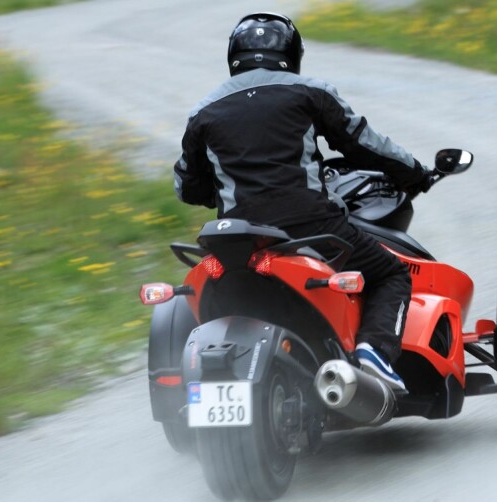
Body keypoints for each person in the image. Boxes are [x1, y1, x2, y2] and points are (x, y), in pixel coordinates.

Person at [173, 12, 432, 392]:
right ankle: (373, 351)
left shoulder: (204, 112)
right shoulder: (310, 92)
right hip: (310, 226)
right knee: (391, 274)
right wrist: (415, 172)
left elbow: (187, 187)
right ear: (292, 54)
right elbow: (364, 144)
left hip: (236, 240)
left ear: (233, 56)